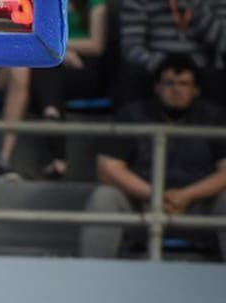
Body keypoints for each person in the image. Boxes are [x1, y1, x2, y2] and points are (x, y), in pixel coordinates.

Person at [80, 54, 226, 259]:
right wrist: (155, 195)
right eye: (169, 83)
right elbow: (107, 168)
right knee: (104, 197)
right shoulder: (133, 115)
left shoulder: (215, 118)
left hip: (198, 207)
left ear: (196, 90)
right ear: (157, 87)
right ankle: (93, 273)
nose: (176, 89)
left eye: (184, 84)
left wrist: (187, 196)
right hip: (143, 205)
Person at [30, 0, 108, 178]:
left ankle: (52, 124)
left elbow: (96, 45)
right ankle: (51, 115)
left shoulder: (96, 3)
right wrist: (61, 53)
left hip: (86, 65)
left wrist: (62, 47)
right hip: (56, 61)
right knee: (46, 68)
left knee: (49, 71)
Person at [118, 0, 225, 105]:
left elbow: (223, 42)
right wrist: (164, 66)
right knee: (132, 74)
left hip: (202, 69)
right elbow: (131, 47)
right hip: (154, 67)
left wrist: (196, 6)